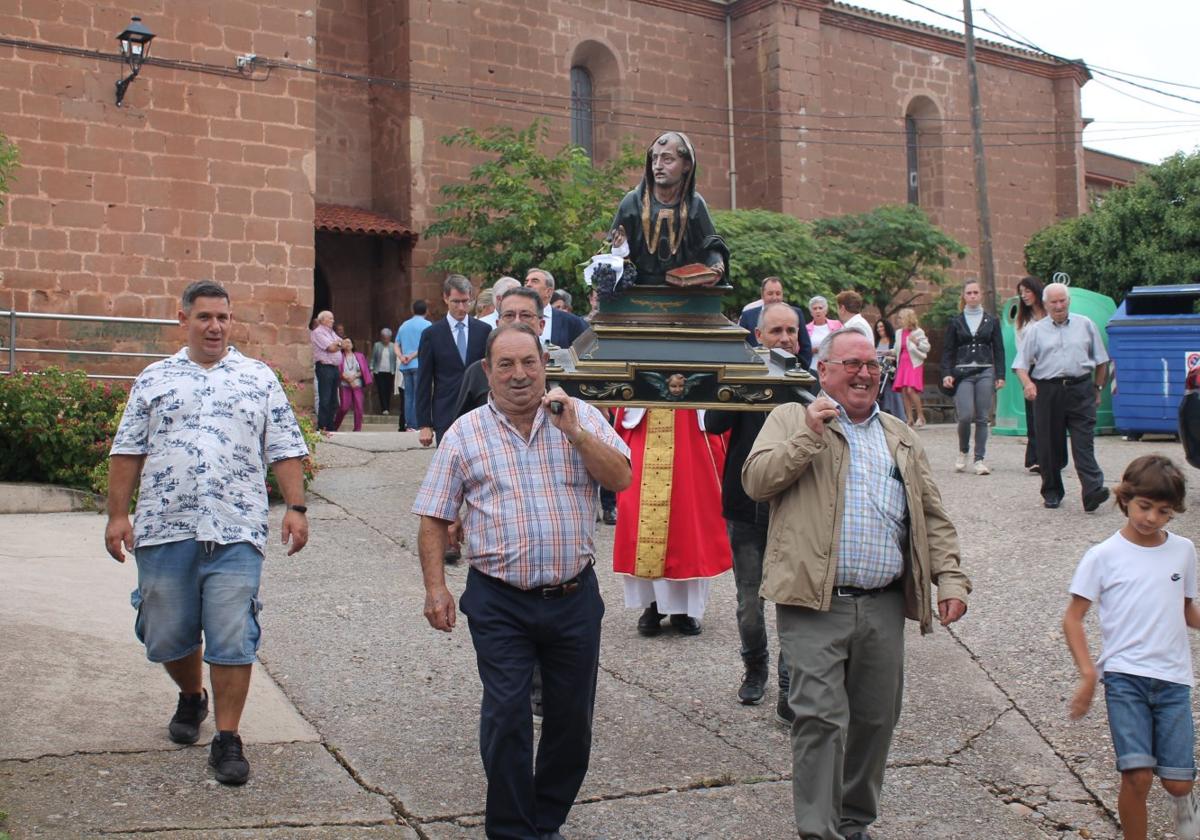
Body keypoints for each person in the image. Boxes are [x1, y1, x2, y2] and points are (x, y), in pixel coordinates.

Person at [741, 328, 970, 840]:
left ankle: (853, 821)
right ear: (823, 372)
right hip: (813, 602)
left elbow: (931, 515)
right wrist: (808, 434)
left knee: (874, 720)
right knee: (819, 720)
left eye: (872, 364)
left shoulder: (899, 435)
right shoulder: (788, 418)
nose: (864, 373)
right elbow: (756, 482)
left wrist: (950, 577)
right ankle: (818, 831)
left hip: (884, 604)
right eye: (851, 363)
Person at [411, 322, 632, 840]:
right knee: (508, 713)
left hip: (574, 597)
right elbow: (432, 516)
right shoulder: (465, 433)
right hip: (499, 600)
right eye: (505, 365)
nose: (518, 375)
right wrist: (435, 588)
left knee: (570, 722)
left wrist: (575, 433)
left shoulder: (581, 418)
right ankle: (512, 829)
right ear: (487, 371)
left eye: (528, 363)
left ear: (544, 366)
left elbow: (621, 478)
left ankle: (544, 817)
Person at [104, 280, 310, 786]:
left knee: (232, 633)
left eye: (222, 317)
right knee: (166, 632)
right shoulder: (155, 378)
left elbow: (283, 446)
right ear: (184, 320)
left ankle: (228, 739)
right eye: (204, 317)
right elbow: (127, 450)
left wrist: (296, 506)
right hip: (163, 525)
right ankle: (192, 696)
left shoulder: (258, 378)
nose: (214, 326)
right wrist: (116, 515)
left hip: (236, 526)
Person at [1063, 454, 1200, 840]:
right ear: (1125, 498)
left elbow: (1187, 612)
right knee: (1137, 776)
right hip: (1125, 678)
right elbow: (1073, 618)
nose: (1151, 518)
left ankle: (1187, 804)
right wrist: (1089, 673)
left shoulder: (1184, 551)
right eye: (1144, 506)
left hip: (1174, 679)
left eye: (1164, 511)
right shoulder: (1103, 556)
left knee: (1178, 784)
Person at [704, 302, 799, 711]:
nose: (784, 338)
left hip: (794, 507)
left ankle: (789, 681)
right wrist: (736, 381)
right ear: (759, 336)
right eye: (775, 331)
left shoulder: (808, 379)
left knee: (795, 600)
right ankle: (755, 668)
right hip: (744, 505)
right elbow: (713, 423)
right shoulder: (746, 373)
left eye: (790, 331)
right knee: (748, 601)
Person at [613, 400, 732, 637]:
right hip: (646, 412)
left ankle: (685, 610)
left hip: (689, 424)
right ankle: (652, 606)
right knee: (640, 516)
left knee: (688, 520)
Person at [1012, 282, 1110, 511]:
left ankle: (1092, 491)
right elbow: (1021, 365)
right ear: (1045, 304)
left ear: (1069, 301)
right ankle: (1052, 491)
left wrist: (1097, 388)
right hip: (1048, 391)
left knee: (1083, 442)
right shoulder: (1035, 331)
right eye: (1053, 302)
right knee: (1049, 444)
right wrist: (1028, 384)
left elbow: (1102, 361)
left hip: (1080, 389)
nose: (1058, 306)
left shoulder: (1086, 325)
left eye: (1062, 301)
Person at [610, 130, 729, 286]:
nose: (658, 166)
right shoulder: (632, 202)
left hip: (686, 293)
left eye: (667, 160)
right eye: (654, 159)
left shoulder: (694, 204)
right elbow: (609, 247)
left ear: (686, 165)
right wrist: (619, 248)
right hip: (639, 291)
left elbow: (709, 245)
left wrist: (716, 264)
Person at [415, 275, 491, 448]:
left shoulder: (484, 331)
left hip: (479, 411)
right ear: (445, 298)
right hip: (446, 412)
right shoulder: (431, 335)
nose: (462, 307)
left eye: (466, 301)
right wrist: (425, 424)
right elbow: (424, 381)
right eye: (456, 302)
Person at [941, 279, 1006, 475]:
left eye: (975, 292)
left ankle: (979, 459)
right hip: (963, 372)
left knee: (982, 417)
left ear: (981, 295)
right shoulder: (956, 321)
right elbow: (948, 351)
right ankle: (963, 451)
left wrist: (1000, 374)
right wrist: (946, 373)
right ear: (964, 296)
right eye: (969, 293)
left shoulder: (991, 320)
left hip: (985, 370)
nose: (972, 296)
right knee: (965, 415)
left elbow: (999, 349)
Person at [737, 277, 813, 366]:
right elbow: (741, 346)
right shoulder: (748, 315)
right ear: (762, 295)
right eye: (770, 293)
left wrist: (800, 370)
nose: (774, 298)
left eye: (778, 293)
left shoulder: (795, 313)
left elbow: (806, 347)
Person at [1015, 275, 1047, 473]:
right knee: (1034, 415)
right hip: (1031, 368)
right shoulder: (1022, 322)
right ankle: (1035, 458)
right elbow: (1021, 350)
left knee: (1052, 415)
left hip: (1051, 367)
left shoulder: (1049, 315)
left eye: (1027, 291)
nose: (1024, 296)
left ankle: (1053, 456)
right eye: (1021, 293)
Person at [524, 267, 589, 348]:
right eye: (526, 282)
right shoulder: (512, 318)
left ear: (548, 291)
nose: (528, 284)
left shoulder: (571, 322)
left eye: (534, 281)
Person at [397, 300, 431, 432]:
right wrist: (412, 356)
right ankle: (417, 423)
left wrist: (402, 356)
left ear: (413, 310)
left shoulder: (404, 325)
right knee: (419, 394)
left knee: (408, 395)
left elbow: (396, 344)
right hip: (419, 363)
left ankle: (409, 424)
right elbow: (425, 346)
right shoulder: (427, 325)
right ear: (426, 311)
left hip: (405, 365)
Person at [892, 307, 930, 428]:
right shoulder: (899, 333)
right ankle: (909, 418)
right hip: (902, 363)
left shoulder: (917, 332)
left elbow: (926, 347)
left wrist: (917, 342)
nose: (899, 320)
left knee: (910, 390)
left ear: (908, 319)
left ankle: (921, 416)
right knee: (903, 391)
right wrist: (887, 353)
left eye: (901, 318)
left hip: (914, 363)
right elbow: (897, 349)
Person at [310, 310, 342, 432]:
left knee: (334, 400)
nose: (333, 321)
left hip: (334, 368)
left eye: (332, 318)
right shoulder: (318, 333)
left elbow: (345, 343)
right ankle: (322, 426)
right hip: (325, 368)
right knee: (325, 398)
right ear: (322, 320)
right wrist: (338, 344)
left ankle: (330, 425)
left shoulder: (332, 333)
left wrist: (338, 343)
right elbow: (331, 348)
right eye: (330, 318)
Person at [334, 338, 373, 432]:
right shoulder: (340, 356)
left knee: (359, 407)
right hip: (345, 385)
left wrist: (354, 377)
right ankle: (334, 426)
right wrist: (349, 380)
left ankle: (357, 429)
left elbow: (363, 370)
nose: (348, 344)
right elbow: (339, 370)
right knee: (344, 407)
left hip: (357, 384)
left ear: (353, 344)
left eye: (350, 342)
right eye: (346, 342)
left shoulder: (359, 356)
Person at [370, 328, 397, 417]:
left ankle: (387, 407)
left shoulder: (393, 346)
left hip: (390, 371)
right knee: (381, 389)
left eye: (387, 338)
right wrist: (371, 368)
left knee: (388, 390)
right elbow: (373, 358)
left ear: (390, 338)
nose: (386, 339)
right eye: (384, 338)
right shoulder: (377, 345)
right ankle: (384, 408)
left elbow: (396, 359)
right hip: (379, 371)